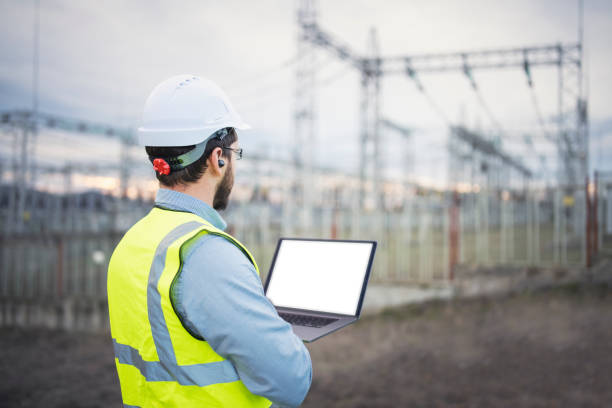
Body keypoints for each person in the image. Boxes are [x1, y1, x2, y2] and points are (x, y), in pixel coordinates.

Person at [107, 75, 312, 408]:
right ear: (218, 158)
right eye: (235, 155)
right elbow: (291, 382)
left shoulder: (133, 243)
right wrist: (280, 338)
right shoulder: (207, 254)